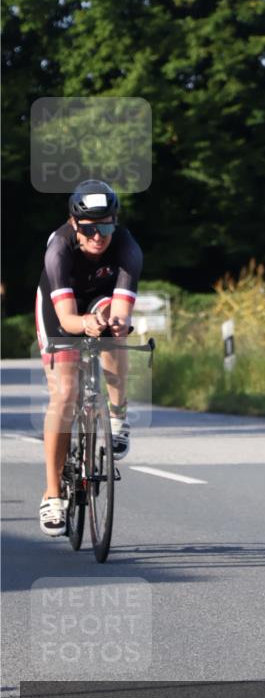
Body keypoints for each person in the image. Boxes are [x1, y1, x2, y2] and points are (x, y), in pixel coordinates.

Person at [35, 180, 143, 536]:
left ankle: (117, 415)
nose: (99, 236)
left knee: (116, 331)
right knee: (65, 394)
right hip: (61, 307)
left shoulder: (127, 248)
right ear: (73, 224)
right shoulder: (59, 251)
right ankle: (52, 495)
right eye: (90, 229)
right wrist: (84, 325)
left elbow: (123, 314)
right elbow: (66, 320)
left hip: (102, 299)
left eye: (107, 226)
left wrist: (111, 325)